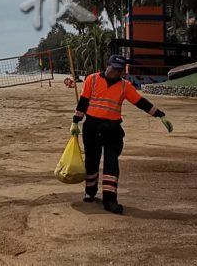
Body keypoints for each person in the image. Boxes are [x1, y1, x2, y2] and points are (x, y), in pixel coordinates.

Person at [71, 54, 173, 214]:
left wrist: (159, 114)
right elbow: (83, 102)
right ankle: (90, 191)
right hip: (92, 127)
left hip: (112, 129)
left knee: (111, 163)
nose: (116, 72)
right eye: (114, 69)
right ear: (107, 66)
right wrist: (75, 121)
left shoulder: (125, 86)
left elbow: (140, 102)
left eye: (120, 70)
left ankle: (110, 200)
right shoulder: (92, 79)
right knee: (91, 161)